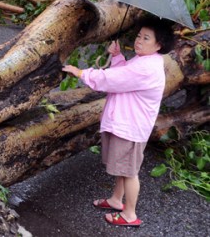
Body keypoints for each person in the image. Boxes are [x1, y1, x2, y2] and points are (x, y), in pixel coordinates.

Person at [62, 18, 175, 227]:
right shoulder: (144, 60)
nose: (139, 41)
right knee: (123, 168)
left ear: (159, 45)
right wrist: (117, 56)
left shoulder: (146, 67)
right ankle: (116, 200)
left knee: (130, 172)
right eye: (139, 36)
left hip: (131, 128)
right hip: (126, 124)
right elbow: (124, 73)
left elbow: (115, 79)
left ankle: (130, 215)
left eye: (146, 38)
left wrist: (82, 73)